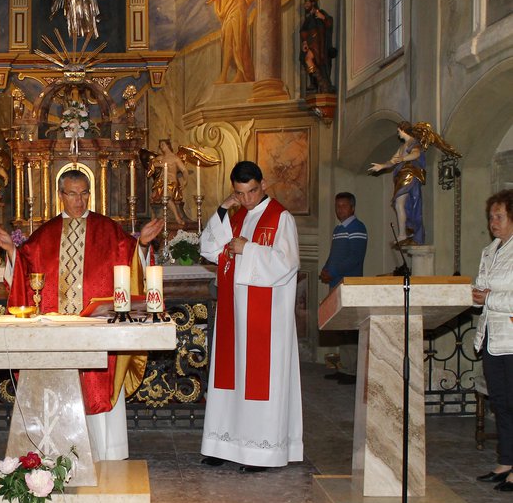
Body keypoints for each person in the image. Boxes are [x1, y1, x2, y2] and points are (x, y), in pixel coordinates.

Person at [0, 170, 163, 460]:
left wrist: (142, 245)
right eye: (72, 193)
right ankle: (58, 454)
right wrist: (11, 250)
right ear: (60, 196)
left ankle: (106, 451)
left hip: (96, 331)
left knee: (98, 382)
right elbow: (25, 269)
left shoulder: (107, 230)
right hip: (58, 335)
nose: (79, 200)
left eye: (84, 193)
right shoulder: (45, 234)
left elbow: (131, 263)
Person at [198, 160, 302, 471]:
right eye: (240, 194)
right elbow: (208, 248)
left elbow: (288, 263)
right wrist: (221, 209)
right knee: (231, 380)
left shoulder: (281, 217)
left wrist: (249, 249)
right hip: (234, 312)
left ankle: (261, 451)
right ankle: (226, 444)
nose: (247, 199)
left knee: (259, 381)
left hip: (266, 319)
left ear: (263, 184)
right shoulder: (238, 215)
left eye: (252, 191)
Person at [473, 189, 513, 492]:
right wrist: (475, 296)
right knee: (500, 402)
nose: (493, 222)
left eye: (499, 216)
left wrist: (489, 297)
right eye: (491, 217)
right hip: (491, 336)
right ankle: (506, 461)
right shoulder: (490, 250)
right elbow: (483, 290)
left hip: (511, 337)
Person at [319, 192, 367, 384]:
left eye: (344, 206)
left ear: (352, 208)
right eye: (338, 206)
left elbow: (355, 258)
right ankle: (344, 367)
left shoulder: (358, 228)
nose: (340, 210)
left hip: (349, 282)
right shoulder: (339, 229)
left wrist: (334, 270)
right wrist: (326, 267)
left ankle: (352, 371)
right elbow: (335, 254)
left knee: (349, 328)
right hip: (335, 282)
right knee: (340, 327)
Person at [207, 0, 258, 84]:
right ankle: (227, 75)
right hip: (229, 6)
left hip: (238, 5)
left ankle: (239, 73)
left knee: (237, 38)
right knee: (228, 38)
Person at [147, 139, 190, 228]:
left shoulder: (175, 158)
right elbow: (153, 163)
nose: (161, 146)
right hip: (161, 182)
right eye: (160, 145)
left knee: (166, 197)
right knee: (153, 197)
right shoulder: (161, 157)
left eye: (162, 144)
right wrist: (161, 164)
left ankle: (177, 217)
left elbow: (184, 170)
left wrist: (185, 181)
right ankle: (153, 221)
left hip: (171, 182)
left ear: (168, 145)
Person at [299, 0, 335, 94]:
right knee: (307, 59)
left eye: (307, 3)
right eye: (304, 4)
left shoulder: (320, 12)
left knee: (319, 63)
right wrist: (305, 43)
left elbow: (329, 22)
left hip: (320, 43)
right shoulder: (308, 19)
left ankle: (323, 83)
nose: (305, 5)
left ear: (313, 3)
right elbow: (303, 32)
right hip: (311, 43)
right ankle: (319, 83)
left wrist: (322, 17)